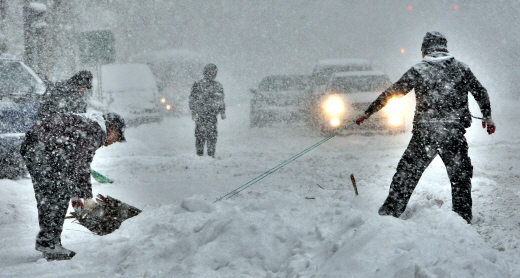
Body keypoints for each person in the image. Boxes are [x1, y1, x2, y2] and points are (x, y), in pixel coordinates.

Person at [355, 31, 496, 224]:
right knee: (460, 177)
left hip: (425, 133)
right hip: (453, 132)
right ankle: (462, 218)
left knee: (406, 174)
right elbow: (480, 92)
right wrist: (487, 116)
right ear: (444, 47)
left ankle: (389, 214)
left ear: (425, 50)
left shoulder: (420, 70)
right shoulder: (461, 68)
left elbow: (394, 91)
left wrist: (369, 112)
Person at [20, 112, 126, 260]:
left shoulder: (89, 125)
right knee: (55, 196)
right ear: (112, 128)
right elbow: (80, 164)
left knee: (51, 195)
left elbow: (72, 163)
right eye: (117, 136)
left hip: (38, 147)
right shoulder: (95, 131)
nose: (114, 141)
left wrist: (76, 195)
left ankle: (49, 242)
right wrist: (87, 197)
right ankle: (49, 243)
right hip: (43, 149)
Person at [189, 63, 226, 158]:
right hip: (201, 115)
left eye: (214, 72)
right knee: (200, 135)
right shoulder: (198, 85)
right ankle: (199, 153)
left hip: (213, 115)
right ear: (205, 73)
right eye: (210, 72)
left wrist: (222, 111)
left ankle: (211, 153)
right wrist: (193, 112)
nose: (212, 74)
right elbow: (192, 99)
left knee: (212, 135)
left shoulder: (218, 86)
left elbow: (221, 100)